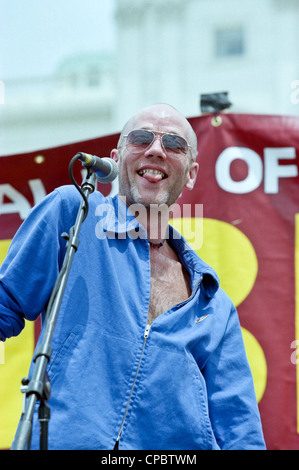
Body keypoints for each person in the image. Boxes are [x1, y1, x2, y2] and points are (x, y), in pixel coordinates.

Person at [0, 103, 266, 450]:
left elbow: (239, 429)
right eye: (141, 139)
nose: (156, 149)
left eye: (173, 144)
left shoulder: (212, 302)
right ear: (116, 156)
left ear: (191, 173)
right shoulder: (73, 213)